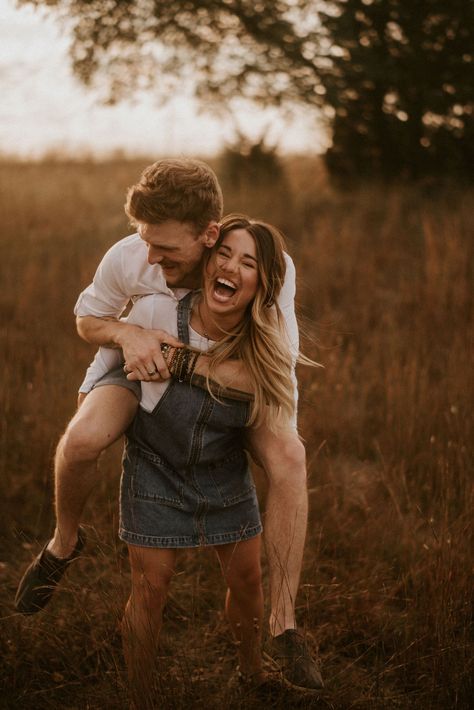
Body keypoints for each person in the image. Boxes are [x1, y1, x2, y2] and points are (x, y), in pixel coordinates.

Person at [15, 158, 323, 691]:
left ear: (208, 237)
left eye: (167, 250)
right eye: (146, 243)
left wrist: (196, 368)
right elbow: (87, 318)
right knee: (82, 440)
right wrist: (129, 337)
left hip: (236, 387)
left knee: (291, 457)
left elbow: (278, 367)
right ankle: (64, 543)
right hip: (138, 372)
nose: (152, 259)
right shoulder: (134, 258)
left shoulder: (264, 267)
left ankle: (283, 627)